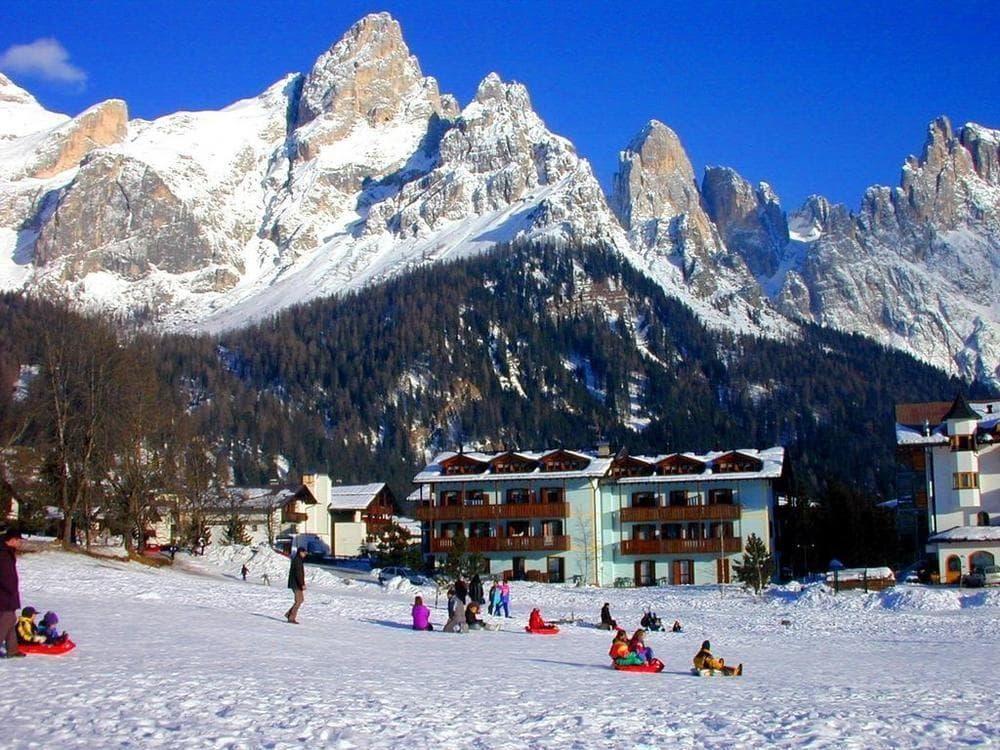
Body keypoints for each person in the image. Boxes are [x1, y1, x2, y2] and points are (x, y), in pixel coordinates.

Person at [0, 528, 24, 658]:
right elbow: (5, 575)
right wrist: (11, 589)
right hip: (4, 594)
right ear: (13, 540)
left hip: (8, 594)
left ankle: (12, 649)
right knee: (6, 621)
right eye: (19, 540)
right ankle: (12, 649)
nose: (20, 543)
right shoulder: (3, 553)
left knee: (11, 619)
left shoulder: (7, 551)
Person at [284, 546, 307, 624]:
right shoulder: (298, 561)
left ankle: (289, 614)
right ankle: (291, 617)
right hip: (296, 584)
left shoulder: (298, 560)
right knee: (299, 600)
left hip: (296, 583)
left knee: (300, 600)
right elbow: (299, 574)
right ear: (300, 552)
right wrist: (302, 584)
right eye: (304, 553)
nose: (305, 554)